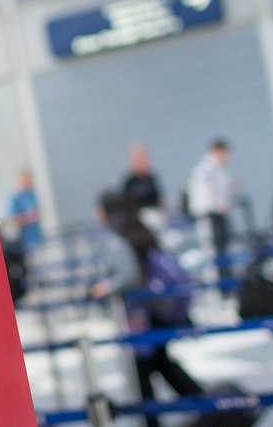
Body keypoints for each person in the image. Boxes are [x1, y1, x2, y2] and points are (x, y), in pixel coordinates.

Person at [90, 191, 204, 427]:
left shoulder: (117, 237)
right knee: (159, 363)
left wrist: (106, 287)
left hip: (141, 313)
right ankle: (204, 404)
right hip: (156, 308)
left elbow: (129, 275)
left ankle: (194, 407)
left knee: (145, 369)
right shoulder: (135, 228)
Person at [191, 139, 236, 288]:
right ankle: (220, 288)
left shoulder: (218, 169)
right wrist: (216, 206)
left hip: (219, 216)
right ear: (218, 151)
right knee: (214, 254)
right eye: (225, 153)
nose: (227, 157)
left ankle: (226, 286)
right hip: (210, 218)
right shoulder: (205, 170)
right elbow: (202, 199)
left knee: (224, 251)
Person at [7, 169, 43, 253]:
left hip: (36, 239)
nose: (29, 182)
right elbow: (11, 220)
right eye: (26, 179)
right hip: (22, 242)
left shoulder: (32, 195)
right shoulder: (15, 198)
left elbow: (37, 214)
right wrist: (29, 217)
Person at [122, 144, 163, 210]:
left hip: (151, 212)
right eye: (137, 159)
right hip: (133, 213)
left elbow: (160, 201)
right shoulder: (129, 182)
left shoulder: (151, 180)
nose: (140, 161)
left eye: (142, 158)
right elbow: (124, 201)